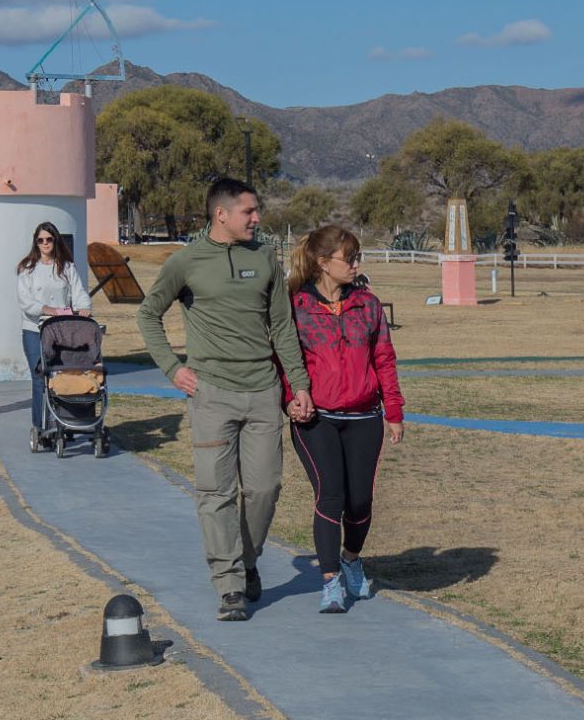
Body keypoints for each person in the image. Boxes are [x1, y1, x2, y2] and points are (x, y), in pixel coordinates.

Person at [137, 178, 313, 622]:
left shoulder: (265, 257)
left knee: (264, 488)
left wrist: (299, 384)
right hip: (211, 394)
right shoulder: (186, 261)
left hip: (263, 393)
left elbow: (283, 326)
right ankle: (229, 583)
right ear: (221, 214)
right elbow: (148, 313)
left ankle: (247, 561)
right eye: (248, 212)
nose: (257, 219)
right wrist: (172, 367)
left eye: (256, 211)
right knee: (215, 492)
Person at [285, 225, 405, 613]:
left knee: (360, 500)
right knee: (331, 493)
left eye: (358, 258)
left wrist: (394, 411)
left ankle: (351, 559)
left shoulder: (368, 305)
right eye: (348, 258)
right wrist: (290, 400)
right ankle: (330, 580)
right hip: (316, 419)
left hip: (364, 416)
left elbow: (384, 359)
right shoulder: (296, 306)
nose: (355, 265)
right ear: (323, 263)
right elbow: (284, 361)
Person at [16, 223, 91, 431]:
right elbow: (25, 301)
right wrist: (46, 309)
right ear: (36, 242)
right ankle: (40, 425)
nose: (45, 243)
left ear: (55, 240)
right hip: (35, 329)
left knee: (62, 375)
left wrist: (84, 308)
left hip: (60, 330)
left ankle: (62, 421)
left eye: (49, 239)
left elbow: (78, 291)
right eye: (41, 240)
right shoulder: (27, 268)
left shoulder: (66, 267)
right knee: (40, 376)